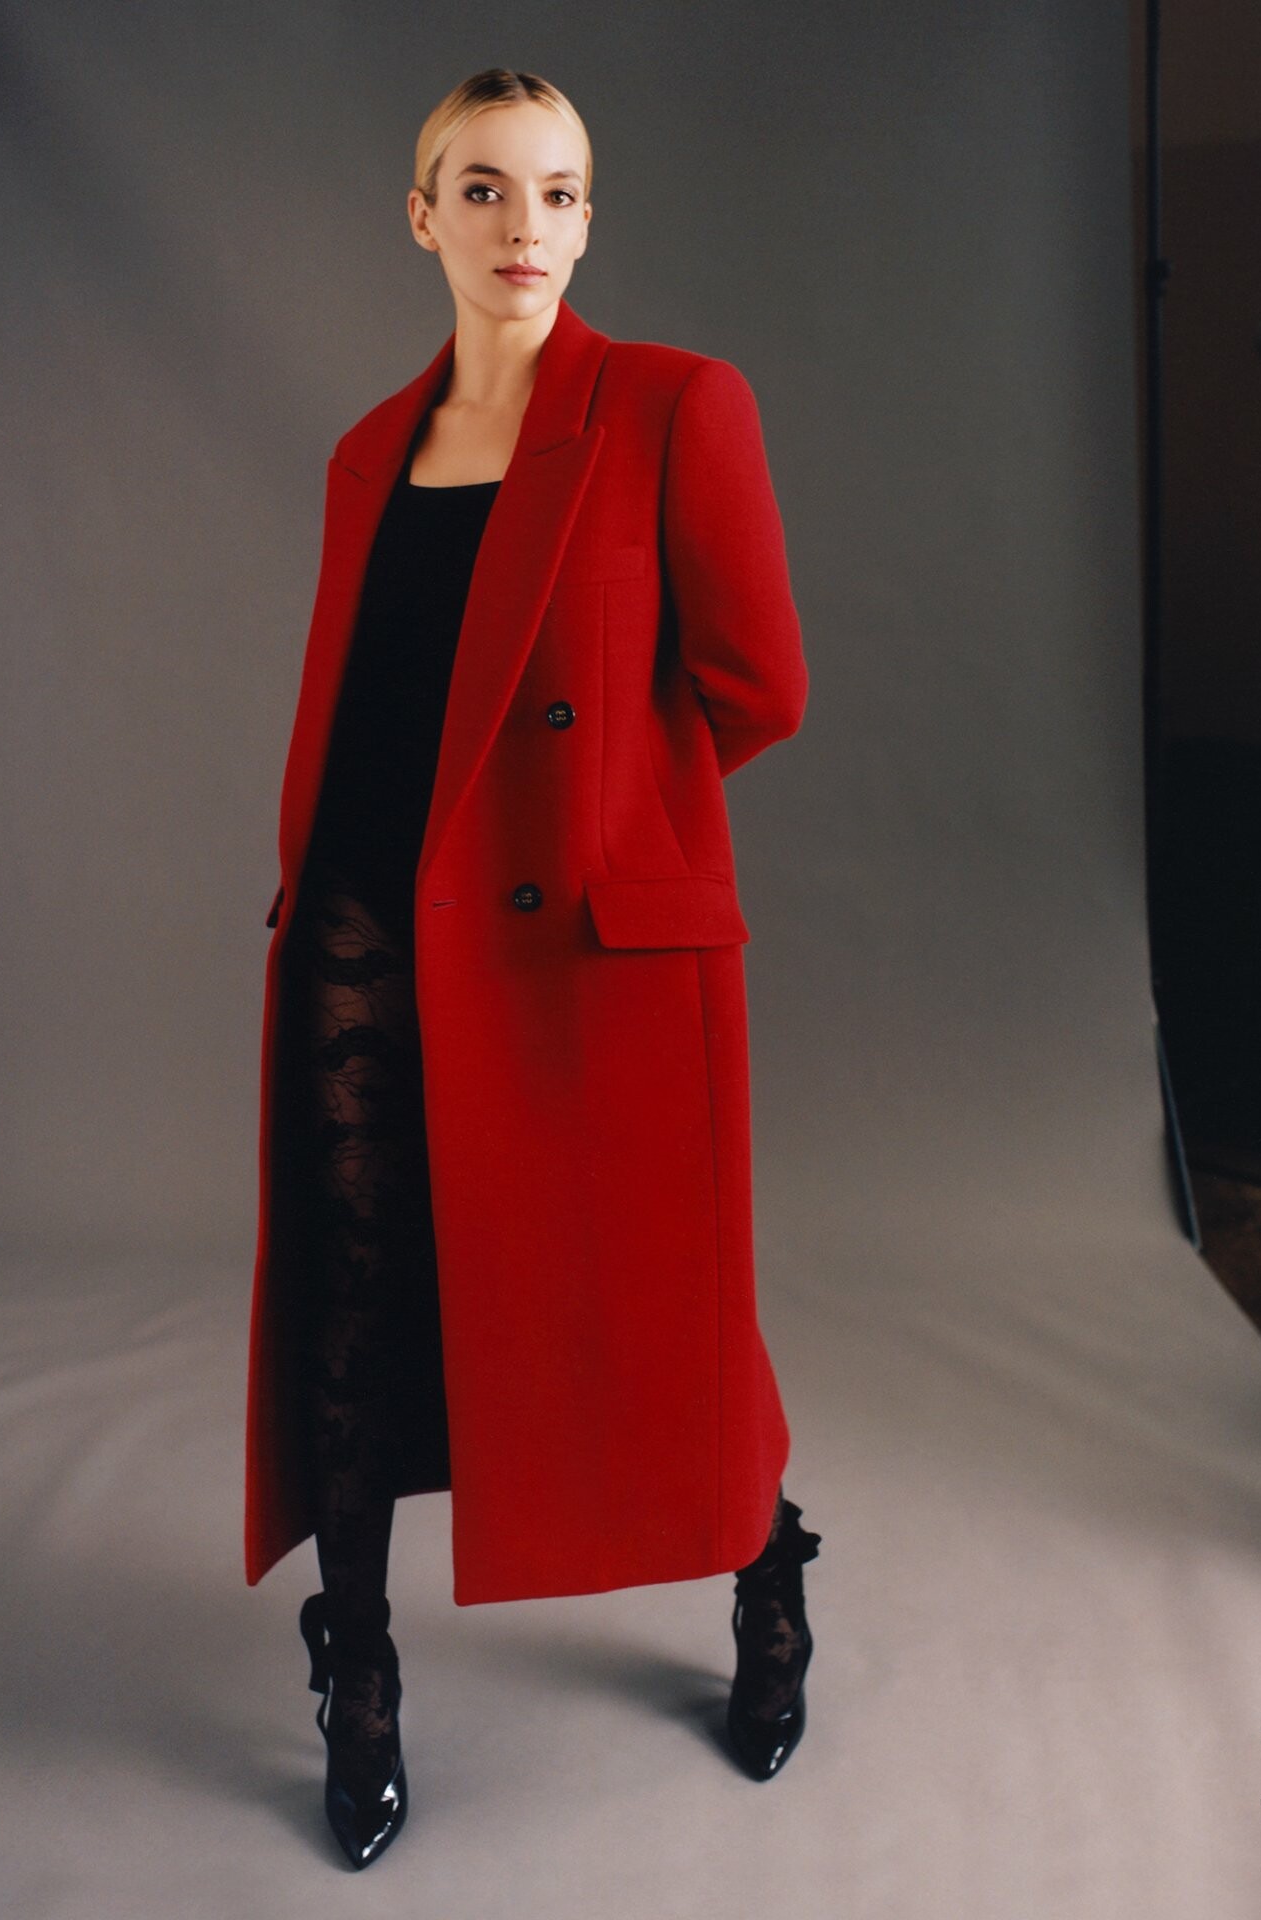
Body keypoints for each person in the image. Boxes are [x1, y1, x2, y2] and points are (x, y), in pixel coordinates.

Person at [250, 67, 822, 1870]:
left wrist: (603, 826)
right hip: (368, 921)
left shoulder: (670, 406)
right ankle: (358, 1673)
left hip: (581, 944)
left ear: (589, 219)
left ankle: (768, 1574)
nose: (524, 228)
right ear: (421, 215)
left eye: (558, 193)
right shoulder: (370, 448)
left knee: (652, 1309)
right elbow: (366, 698)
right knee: (357, 1296)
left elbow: (759, 685)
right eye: (485, 189)